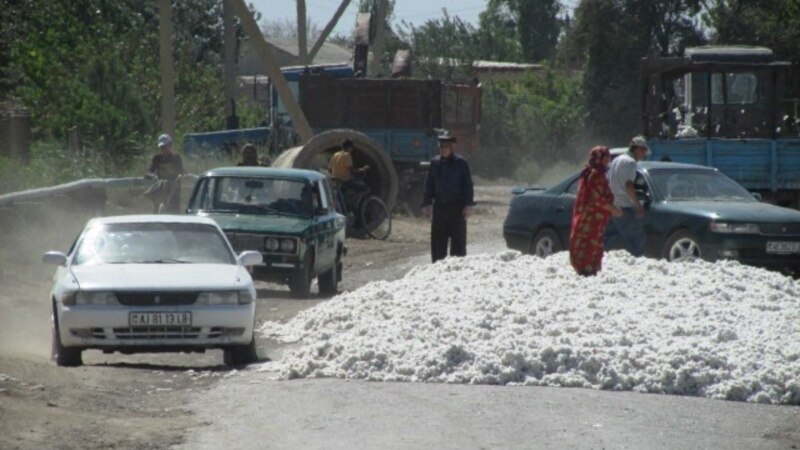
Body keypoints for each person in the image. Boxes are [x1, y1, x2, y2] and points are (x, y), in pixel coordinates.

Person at [422, 131, 475, 263]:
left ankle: (457, 270)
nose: (443, 150)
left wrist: (468, 205)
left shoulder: (461, 164)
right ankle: (438, 269)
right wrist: (427, 204)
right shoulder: (434, 163)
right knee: (438, 243)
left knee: (458, 244)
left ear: (452, 148)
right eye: (441, 147)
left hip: (457, 209)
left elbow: (468, 186)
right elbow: (429, 185)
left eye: (446, 147)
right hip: (440, 208)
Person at [570, 146, 623, 276]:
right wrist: (613, 209)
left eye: (608, 158)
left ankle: (591, 268)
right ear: (598, 158)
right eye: (605, 158)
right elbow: (596, 198)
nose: (607, 161)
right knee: (587, 242)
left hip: (596, 218)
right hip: (590, 218)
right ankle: (586, 269)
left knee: (594, 244)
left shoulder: (598, 174)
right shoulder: (593, 174)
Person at [604, 135, 650, 256]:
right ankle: (639, 261)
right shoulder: (630, 162)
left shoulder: (617, 159)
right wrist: (638, 205)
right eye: (643, 151)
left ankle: (599, 257)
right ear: (637, 149)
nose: (644, 154)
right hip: (623, 205)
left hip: (612, 204)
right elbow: (628, 185)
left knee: (610, 236)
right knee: (638, 238)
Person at [144, 133, 185, 213]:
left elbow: (181, 171)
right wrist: (149, 174)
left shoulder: (176, 157)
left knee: (174, 209)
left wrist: (182, 176)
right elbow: (150, 170)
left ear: (170, 145)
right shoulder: (157, 158)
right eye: (161, 147)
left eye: (164, 147)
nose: (163, 149)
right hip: (160, 187)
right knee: (156, 207)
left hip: (174, 188)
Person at [328, 138, 370, 209]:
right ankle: (353, 201)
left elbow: (329, 169)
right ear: (349, 147)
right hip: (345, 181)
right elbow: (351, 169)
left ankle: (346, 204)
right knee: (365, 189)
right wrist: (362, 170)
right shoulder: (347, 155)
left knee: (341, 197)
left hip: (336, 181)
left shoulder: (335, 155)